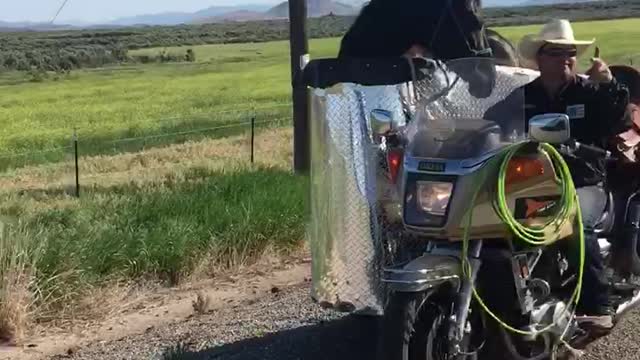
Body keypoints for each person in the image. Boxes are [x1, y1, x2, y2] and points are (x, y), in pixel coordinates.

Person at [486, 19, 631, 330]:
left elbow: (618, 122)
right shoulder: (523, 96)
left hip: (584, 181)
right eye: (556, 52)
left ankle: (597, 305)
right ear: (539, 57)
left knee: (573, 221)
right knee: (496, 222)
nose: (565, 58)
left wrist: (608, 84)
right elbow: (491, 125)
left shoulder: (589, 92)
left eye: (570, 53)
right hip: (534, 182)